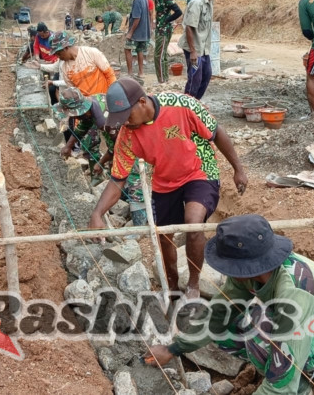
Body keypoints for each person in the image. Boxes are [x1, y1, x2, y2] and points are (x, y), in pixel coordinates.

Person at [145, 214, 314, 395]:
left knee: (259, 325)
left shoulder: (294, 291)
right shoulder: (251, 274)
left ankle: (300, 387)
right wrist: (173, 349)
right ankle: (285, 376)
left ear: (244, 266)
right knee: (229, 326)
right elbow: (218, 315)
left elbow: (285, 365)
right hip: (310, 338)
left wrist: (281, 385)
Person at [88, 78, 248, 299]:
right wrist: (97, 213)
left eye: (127, 116)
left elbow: (216, 132)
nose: (125, 123)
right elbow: (118, 179)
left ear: (142, 102)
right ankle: (172, 286)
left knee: (193, 223)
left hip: (199, 169)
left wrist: (238, 169)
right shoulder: (127, 136)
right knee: (163, 235)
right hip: (165, 179)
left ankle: (193, 284)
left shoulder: (181, 105)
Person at [55, 87, 148, 224]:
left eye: (73, 115)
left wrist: (101, 162)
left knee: (135, 178)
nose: (73, 118)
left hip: (135, 142)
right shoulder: (92, 104)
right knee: (117, 172)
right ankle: (122, 199)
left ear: (80, 111)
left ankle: (140, 224)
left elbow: (117, 149)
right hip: (122, 138)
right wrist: (68, 146)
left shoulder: (104, 122)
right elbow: (83, 126)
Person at [177, 0, 226, 100]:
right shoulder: (197, 2)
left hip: (203, 48)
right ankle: (187, 105)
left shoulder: (209, 2)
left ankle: (195, 103)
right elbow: (189, 27)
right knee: (195, 78)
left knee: (207, 75)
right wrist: (193, 51)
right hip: (194, 48)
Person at [30, 31, 117, 98]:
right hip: (87, 105)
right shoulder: (64, 68)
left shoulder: (91, 53)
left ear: (66, 48)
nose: (58, 57)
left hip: (104, 98)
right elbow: (74, 91)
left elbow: (110, 75)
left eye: (59, 54)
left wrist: (112, 95)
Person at [151, 0, 183, 84]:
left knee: (158, 56)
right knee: (163, 55)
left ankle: (161, 80)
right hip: (160, 29)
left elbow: (178, 12)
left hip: (164, 30)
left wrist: (167, 20)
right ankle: (165, 79)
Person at [125, 0, 151, 82]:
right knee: (140, 50)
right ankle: (141, 73)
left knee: (127, 49)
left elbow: (137, 18)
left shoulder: (137, 0)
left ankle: (130, 73)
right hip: (143, 32)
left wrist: (130, 32)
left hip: (136, 32)